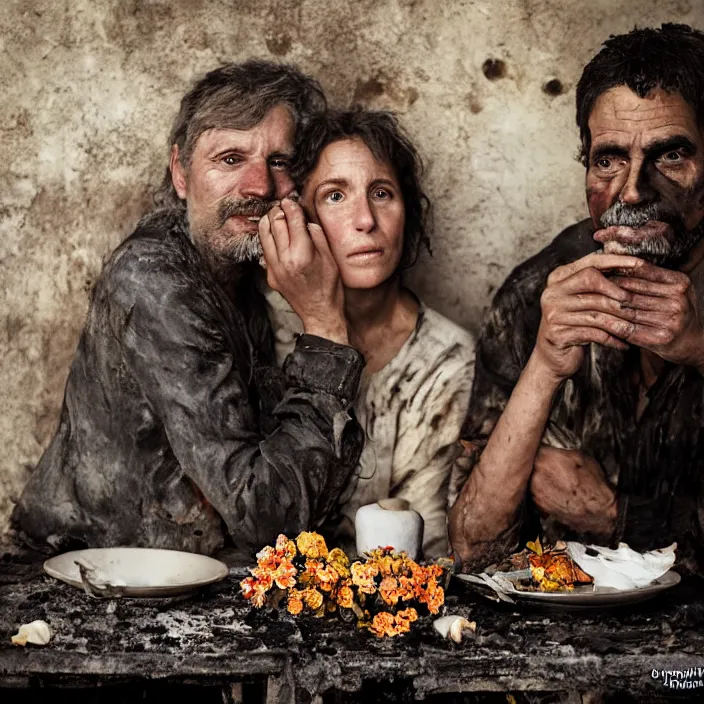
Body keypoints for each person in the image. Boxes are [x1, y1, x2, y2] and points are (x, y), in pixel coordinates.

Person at [11, 60, 366, 558]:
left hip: (169, 573)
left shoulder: (248, 275)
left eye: (280, 161)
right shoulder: (153, 281)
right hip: (77, 579)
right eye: (229, 159)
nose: (259, 186)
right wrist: (326, 327)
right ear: (181, 173)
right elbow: (264, 515)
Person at [450, 23, 704, 576]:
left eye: (671, 155)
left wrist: (619, 517)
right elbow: (473, 550)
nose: (633, 189)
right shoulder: (537, 292)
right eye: (608, 159)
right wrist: (544, 366)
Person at [262, 108, 474, 558]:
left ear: (408, 214)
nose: (365, 220)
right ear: (301, 218)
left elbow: (427, 542)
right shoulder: (268, 332)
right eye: (335, 196)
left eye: (382, 193)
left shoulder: (448, 359)